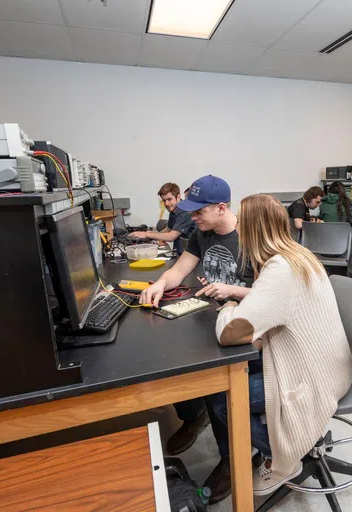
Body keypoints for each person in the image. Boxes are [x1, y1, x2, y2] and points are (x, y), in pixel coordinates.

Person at [211, 193, 352, 496]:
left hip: (314, 379)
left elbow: (232, 333)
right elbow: (275, 308)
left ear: (250, 230)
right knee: (241, 368)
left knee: (222, 399)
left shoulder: (279, 270)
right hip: (331, 364)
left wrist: (226, 308)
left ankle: (284, 460)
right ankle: (271, 442)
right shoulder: (297, 253)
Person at [139, 175, 254, 502]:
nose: (192, 218)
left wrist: (232, 293)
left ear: (221, 208)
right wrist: (161, 284)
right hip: (214, 316)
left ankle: (233, 462)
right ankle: (194, 416)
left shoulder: (250, 237)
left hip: (245, 325)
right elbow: (178, 269)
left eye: (198, 212)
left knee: (219, 388)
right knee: (174, 351)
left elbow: (271, 293)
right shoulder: (200, 233)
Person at [130, 182, 195, 254]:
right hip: (178, 253)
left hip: (187, 256)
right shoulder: (174, 210)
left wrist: (146, 234)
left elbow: (171, 236)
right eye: (164, 200)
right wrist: (150, 235)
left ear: (178, 197)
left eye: (169, 199)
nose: (166, 204)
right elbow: (168, 229)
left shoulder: (185, 212)